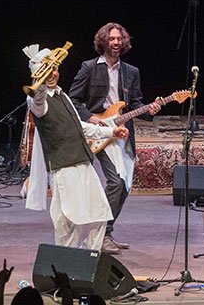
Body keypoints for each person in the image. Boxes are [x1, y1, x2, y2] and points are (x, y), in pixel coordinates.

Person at [22, 43, 128, 251]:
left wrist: (111, 131)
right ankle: (66, 260)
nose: (52, 74)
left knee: (100, 214)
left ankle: (89, 256)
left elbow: (79, 126)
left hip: (83, 161)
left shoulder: (62, 95)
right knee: (68, 220)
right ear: (37, 74)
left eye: (53, 68)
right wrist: (40, 82)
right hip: (63, 167)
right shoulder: (37, 101)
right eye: (46, 70)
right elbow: (38, 99)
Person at [69, 23, 161, 253]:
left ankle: (105, 233)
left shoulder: (131, 72)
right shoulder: (89, 67)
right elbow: (73, 100)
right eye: (111, 39)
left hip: (122, 132)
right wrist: (92, 119)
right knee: (116, 182)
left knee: (125, 186)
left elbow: (135, 103)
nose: (116, 42)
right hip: (100, 132)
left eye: (120, 39)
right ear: (104, 42)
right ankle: (101, 235)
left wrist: (150, 110)